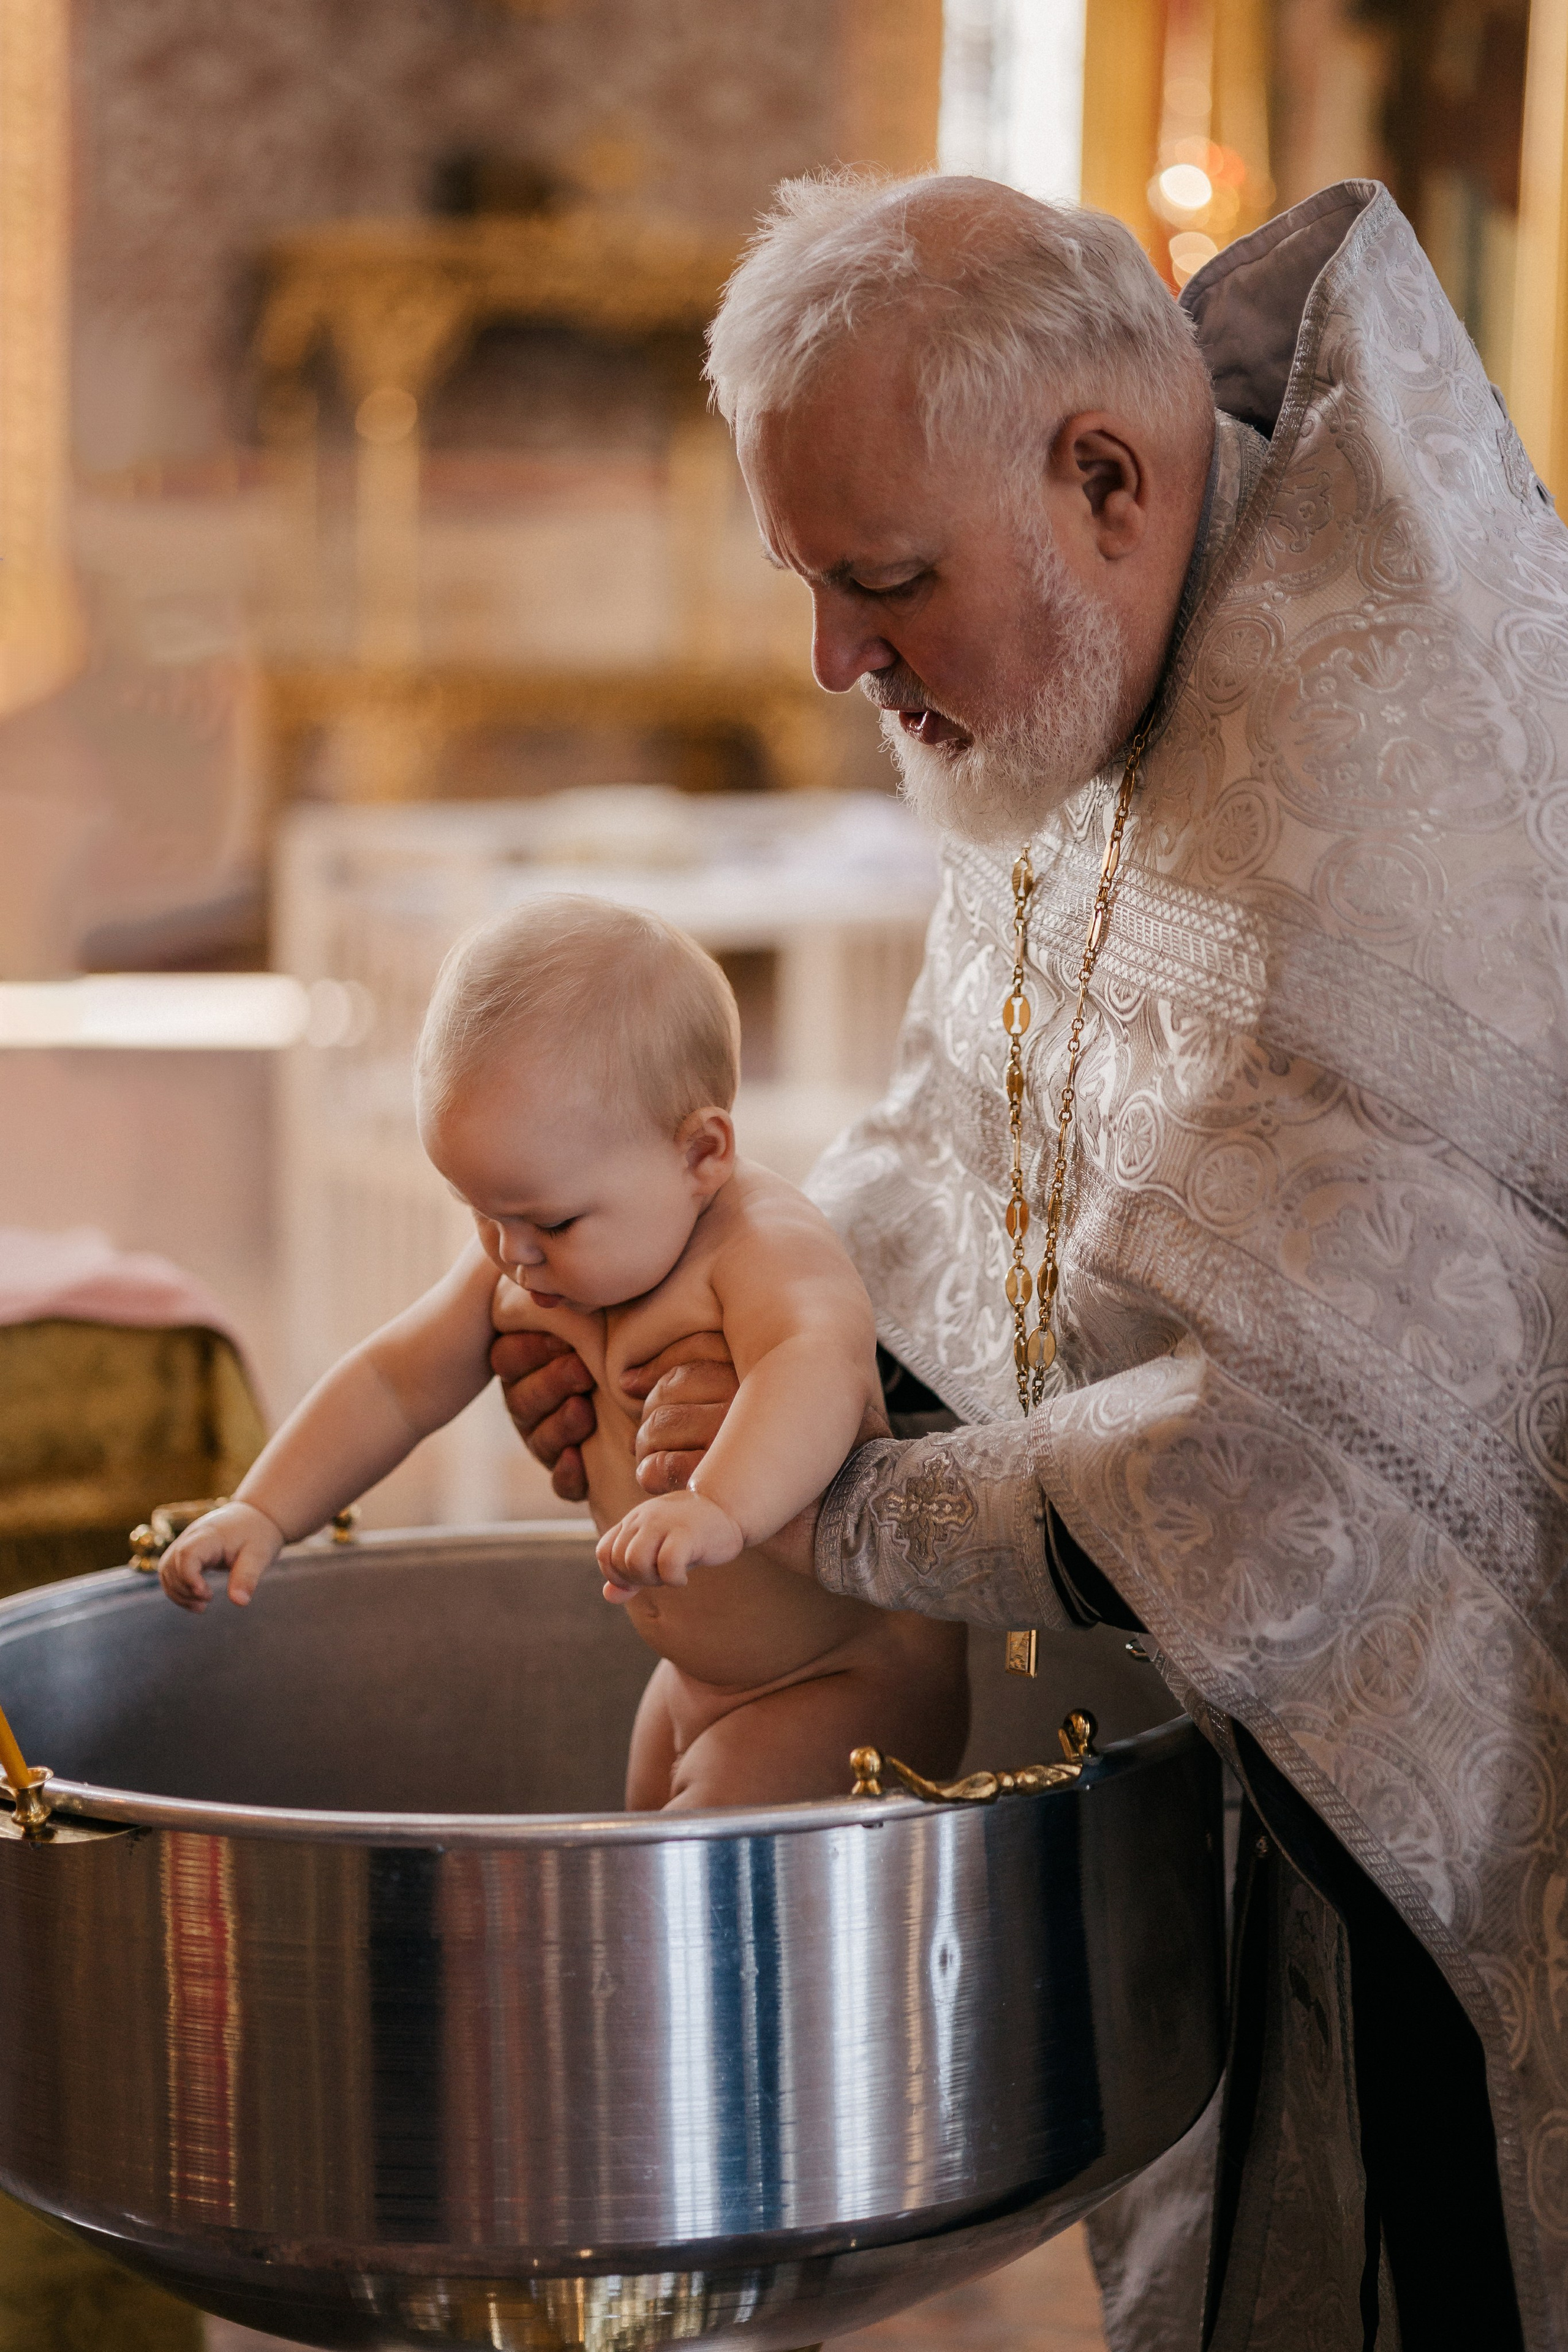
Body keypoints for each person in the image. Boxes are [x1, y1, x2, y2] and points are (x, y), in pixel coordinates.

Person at [494, 175, 1568, 2350]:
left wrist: (844, 1497)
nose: (834, 661)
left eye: (884, 583)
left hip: (1450, 1867)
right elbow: (958, 1161)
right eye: (810, 583)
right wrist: (708, 1348)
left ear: (1102, 476)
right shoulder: (1094, 664)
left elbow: (1298, 1494)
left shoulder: (1381, 796)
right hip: (1223, 1821)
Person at [156, 894, 966, 1809]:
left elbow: (812, 1366)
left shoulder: (761, 1247)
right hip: (694, 1681)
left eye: (550, 1220)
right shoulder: (525, 1247)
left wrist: (719, 1507)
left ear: (701, 1153)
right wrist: (264, 1509)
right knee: (636, 1882)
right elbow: (393, 1382)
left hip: (842, 1681)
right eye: (483, 1213)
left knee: (686, 1885)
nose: (511, 1253)